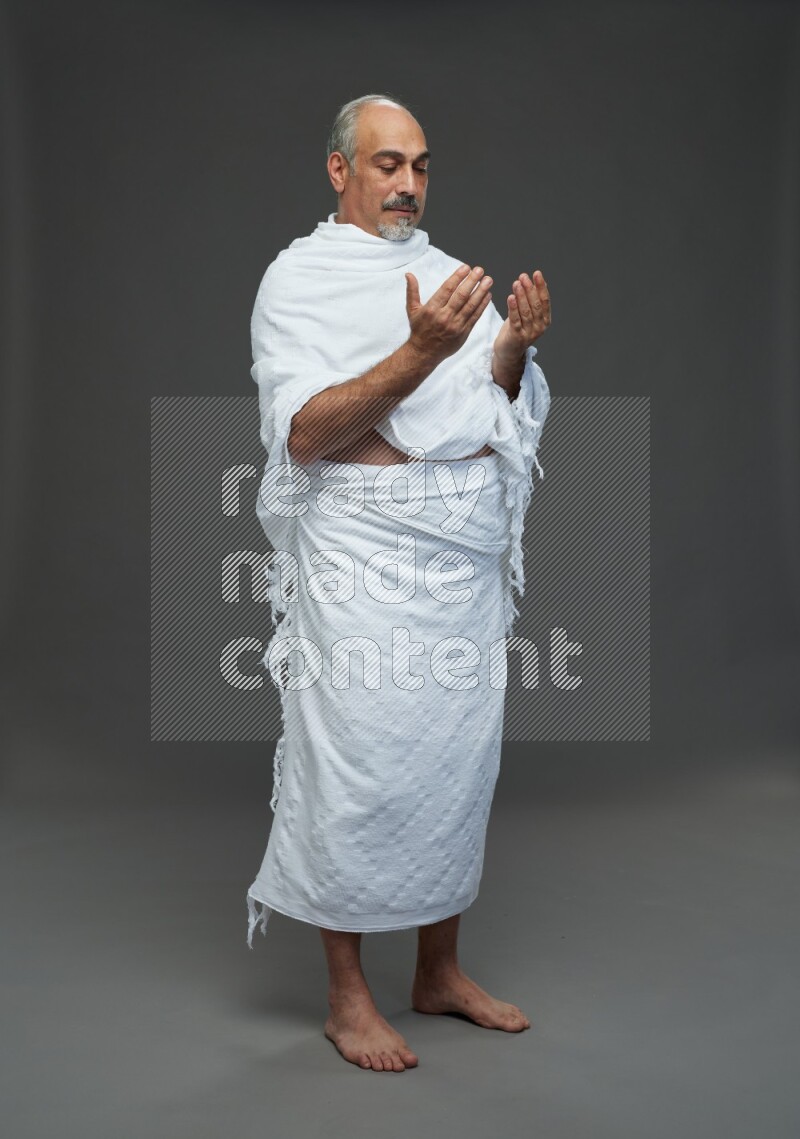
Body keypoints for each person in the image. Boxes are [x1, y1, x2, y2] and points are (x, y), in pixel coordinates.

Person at [246, 93, 552, 1072]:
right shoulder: (298, 280)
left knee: (453, 761)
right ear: (338, 170)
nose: (408, 184)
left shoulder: (444, 274)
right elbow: (304, 432)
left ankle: (437, 970)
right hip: (360, 555)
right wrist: (421, 352)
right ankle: (347, 995)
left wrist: (507, 350)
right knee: (358, 761)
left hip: (454, 559)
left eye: (419, 164)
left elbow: (490, 409)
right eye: (386, 164)